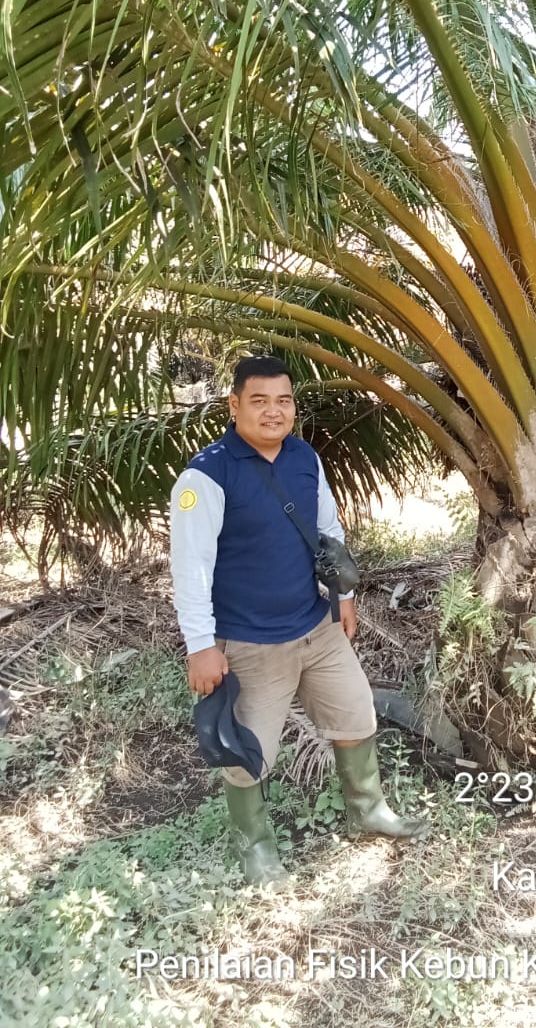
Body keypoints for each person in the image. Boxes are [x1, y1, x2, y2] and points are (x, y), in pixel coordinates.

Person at [169, 355, 427, 885]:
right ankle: (257, 848)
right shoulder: (205, 476)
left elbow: (326, 528)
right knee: (247, 750)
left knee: (356, 716)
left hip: (318, 628)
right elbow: (190, 568)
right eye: (259, 400)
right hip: (250, 642)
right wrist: (201, 645)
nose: (273, 411)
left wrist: (343, 595)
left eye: (283, 400)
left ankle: (367, 811)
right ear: (233, 404)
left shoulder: (304, 457)